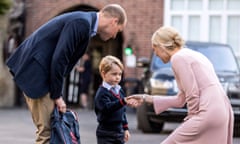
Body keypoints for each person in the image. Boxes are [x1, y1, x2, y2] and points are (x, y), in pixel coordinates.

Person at [6, 4, 127, 144]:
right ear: (114, 21)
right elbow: (60, 58)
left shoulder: (85, 23)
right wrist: (57, 95)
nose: (114, 36)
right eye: (117, 31)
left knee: (51, 131)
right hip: (38, 75)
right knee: (48, 133)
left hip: (41, 75)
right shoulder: (82, 23)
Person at [128, 26, 234, 144]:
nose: (156, 54)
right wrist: (145, 98)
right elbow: (181, 99)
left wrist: (192, 118)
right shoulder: (191, 54)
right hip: (222, 110)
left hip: (207, 111)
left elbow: (192, 93)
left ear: (162, 46)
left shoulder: (178, 58)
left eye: (155, 49)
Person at [94, 55, 130, 144]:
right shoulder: (102, 93)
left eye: (120, 74)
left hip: (119, 132)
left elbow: (123, 111)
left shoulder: (119, 90)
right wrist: (122, 101)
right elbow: (107, 108)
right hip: (106, 133)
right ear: (103, 74)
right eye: (114, 74)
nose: (117, 77)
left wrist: (125, 128)